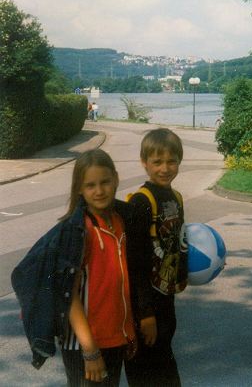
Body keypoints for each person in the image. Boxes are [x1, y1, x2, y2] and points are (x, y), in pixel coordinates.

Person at [11, 149, 154, 386]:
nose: (99, 191)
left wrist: (128, 332)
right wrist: (90, 351)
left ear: (116, 179)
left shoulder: (121, 221)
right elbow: (70, 297)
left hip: (115, 339)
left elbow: (122, 283)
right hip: (85, 346)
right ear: (79, 189)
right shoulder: (77, 232)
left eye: (105, 182)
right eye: (90, 185)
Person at [125, 128, 188, 387]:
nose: (165, 168)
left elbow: (178, 242)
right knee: (145, 374)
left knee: (165, 367)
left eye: (171, 161)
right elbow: (135, 263)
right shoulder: (142, 201)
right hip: (145, 305)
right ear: (144, 163)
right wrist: (145, 314)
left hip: (166, 300)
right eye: (157, 162)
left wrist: (185, 273)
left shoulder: (176, 198)